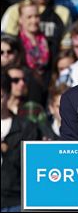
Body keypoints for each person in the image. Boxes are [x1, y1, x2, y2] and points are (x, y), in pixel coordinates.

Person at [1, 72, 39, 212]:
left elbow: (31, 167)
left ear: (7, 95)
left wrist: (7, 150)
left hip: (15, 200)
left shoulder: (26, 127)